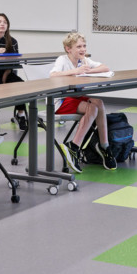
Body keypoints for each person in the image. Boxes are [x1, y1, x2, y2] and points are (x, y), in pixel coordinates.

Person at [49, 32, 116, 171]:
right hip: (60, 102)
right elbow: (53, 75)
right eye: (79, 46)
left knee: (99, 103)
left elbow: (105, 68)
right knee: (92, 108)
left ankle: (104, 146)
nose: (83, 49)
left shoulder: (84, 60)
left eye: (84, 46)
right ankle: (73, 147)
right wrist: (76, 71)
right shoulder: (62, 59)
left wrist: (88, 71)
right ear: (69, 49)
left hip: (76, 97)